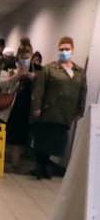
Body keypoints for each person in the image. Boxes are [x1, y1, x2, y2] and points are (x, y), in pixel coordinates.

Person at [30, 36, 87, 179]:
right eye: (61, 49)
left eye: (67, 49)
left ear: (72, 50)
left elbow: (82, 91)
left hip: (66, 113)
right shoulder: (50, 68)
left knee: (56, 141)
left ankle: (46, 165)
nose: (64, 52)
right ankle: (40, 166)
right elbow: (39, 89)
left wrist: (80, 110)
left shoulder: (79, 72)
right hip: (49, 110)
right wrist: (37, 107)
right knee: (44, 139)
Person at [0, 38, 35, 171]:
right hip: (10, 105)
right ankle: (3, 157)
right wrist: (17, 76)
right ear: (18, 56)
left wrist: (34, 77)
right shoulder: (9, 66)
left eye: (27, 58)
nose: (24, 61)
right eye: (22, 58)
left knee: (21, 135)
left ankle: (16, 161)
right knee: (8, 132)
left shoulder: (36, 69)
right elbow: (1, 83)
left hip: (27, 106)